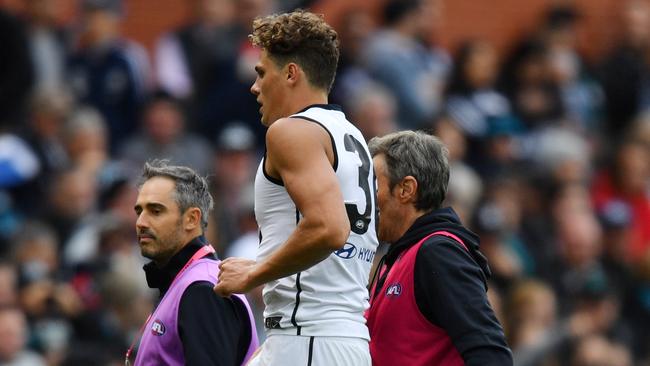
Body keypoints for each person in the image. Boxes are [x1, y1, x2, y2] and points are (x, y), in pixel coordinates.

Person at [215, 10, 378, 366]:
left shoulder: (291, 131)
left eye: (261, 73)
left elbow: (329, 227)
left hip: (308, 337)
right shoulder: (352, 136)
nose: (254, 87)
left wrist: (253, 274)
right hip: (336, 337)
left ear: (291, 73)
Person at [365, 131, 512, 365]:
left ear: (406, 189)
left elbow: (491, 355)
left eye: (373, 184)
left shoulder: (438, 253)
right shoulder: (399, 256)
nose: (367, 198)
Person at [130, 160, 258, 365]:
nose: (141, 223)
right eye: (139, 211)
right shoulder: (184, 281)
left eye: (155, 211)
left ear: (191, 219)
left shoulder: (203, 289)